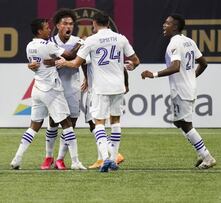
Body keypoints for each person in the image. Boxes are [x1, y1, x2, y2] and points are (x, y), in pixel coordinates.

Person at [55, 11, 140, 172]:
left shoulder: (91, 40)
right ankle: (114, 159)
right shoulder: (121, 38)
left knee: (98, 123)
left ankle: (106, 158)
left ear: (94, 24)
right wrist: (130, 66)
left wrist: (63, 62)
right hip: (118, 87)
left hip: (101, 88)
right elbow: (135, 61)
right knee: (115, 122)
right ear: (108, 23)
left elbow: (75, 64)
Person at [141, 14, 216, 169]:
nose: (164, 25)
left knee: (186, 124)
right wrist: (191, 76)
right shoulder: (189, 41)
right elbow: (204, 63)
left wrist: (153, 74)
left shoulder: (174, 44)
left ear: (175, 26)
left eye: (167, 23)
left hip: (181, 90)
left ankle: (207, 156)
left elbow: (175, 67)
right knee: (178, 122)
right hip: (188, 87)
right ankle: (201, 153)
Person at [10, 18, 86, 170]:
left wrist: (52, 61)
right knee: (67, 124)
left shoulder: (29, 46)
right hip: (52, 89)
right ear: (39, 31)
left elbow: (36, 64)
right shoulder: (49, 44)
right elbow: (70, 55)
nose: (49, 30)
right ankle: (76, 161)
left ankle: (17, 159)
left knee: (34, 126)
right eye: (46, 28)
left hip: (37, 88)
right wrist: (81, 43)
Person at [33, 8, 84, 170]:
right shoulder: (50, 43)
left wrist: (88, 80)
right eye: (65, 24)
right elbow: (43, 63)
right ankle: (48, 156)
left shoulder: (78, 40)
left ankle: (61, 158)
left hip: (73, 87)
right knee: (53, 123)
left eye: (71, 24)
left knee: (71, 125)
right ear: (57, 25)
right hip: (54, 88)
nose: (69, 26)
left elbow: (83, 62)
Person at [81, 62, 126, 169]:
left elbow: (81, 61)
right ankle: (101, 158)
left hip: (96, 91)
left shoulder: (90, 45)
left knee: (95, 124)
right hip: (112, 87)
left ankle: (112, 153)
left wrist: (86, 77)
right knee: (107, 122)